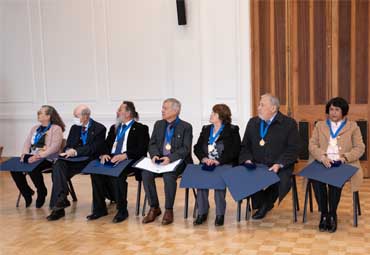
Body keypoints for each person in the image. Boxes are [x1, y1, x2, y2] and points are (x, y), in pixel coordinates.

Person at [239, 94, 300, 220]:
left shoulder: (288, 124)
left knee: (282, 180)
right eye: (259, 104)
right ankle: (262, 203)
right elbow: (245, 146)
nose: (258, 108)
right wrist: (247, 159)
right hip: (257, 163)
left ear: (273, 108)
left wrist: (279, 164)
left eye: (262, 105)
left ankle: (265, 204)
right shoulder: (253, 122)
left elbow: (293, 149)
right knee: (246, 174)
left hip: (279, 164)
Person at [309, 97, 365, 233]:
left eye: (337, 110)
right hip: (322, 162)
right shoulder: (320, 125)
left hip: (343, 163)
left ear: (343, 112)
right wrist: (322, 157)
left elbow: (360, 148)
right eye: (331, 109)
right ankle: (324, 214)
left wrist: (344, 158)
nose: (333, 112)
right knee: (316, 179)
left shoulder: (353, 127)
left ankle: (332, 214)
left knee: (335, 179)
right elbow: (312, 145)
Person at [87, 101, 149, 223]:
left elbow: (142, 149)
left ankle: (122, 210)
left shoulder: (141, 128)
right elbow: (105, 144)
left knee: (117, 174)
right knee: (96, 172)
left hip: (130, 160)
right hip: (112, 158)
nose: (117, 112)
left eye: (120, 110)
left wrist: (125, 155)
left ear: (128, 113)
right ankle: (99, 209)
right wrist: (104, 154)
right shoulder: (114, 128)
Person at [47, 104, 106, 221]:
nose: (74, 118)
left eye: (76, 116)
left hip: (91, 159)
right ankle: (60, 203)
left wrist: (75, 152)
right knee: (58, 165)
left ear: (86, 116)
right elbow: (69, 144)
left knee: (96, 173)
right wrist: (68, 150)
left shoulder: (99, 128)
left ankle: (99, 209)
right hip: (75, 160)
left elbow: (93, 148)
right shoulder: (75, 127)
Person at [142, 98, 193, 225]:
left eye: (165, 108)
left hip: (178, 162)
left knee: (169, 176)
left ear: (176, 110)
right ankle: (154, 207)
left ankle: (168, 210)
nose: (162, 110)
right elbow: (152, 143)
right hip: (159, 160)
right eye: (162, 107)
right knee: (145, 173)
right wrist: (154, 155)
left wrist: (170, 158)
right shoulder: (158, 124)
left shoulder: (186, 127)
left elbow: (185, 149)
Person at [193, 104, 240, 226]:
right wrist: (203, 159)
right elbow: (197, 148)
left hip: (223, 163)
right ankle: (202, 212)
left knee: (219, 180)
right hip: (207, 162)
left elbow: (234, 151)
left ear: (221, 116)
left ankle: (220, 214)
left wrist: (218, 161)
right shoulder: (206, 129)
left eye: (214, 113)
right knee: (201, 179)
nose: (211, 115)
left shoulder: (232, 130)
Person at [11, 105, 65, 208]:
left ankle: (41, 191)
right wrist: (25, 154)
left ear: (48, 116)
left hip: (48, 158)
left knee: (33, 167)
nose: (38, 114)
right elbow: (27, 143)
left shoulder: (56, 128)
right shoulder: (35, 128)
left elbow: (54, 147)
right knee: (15, 169)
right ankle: (26, 192)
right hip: (32, 157)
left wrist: (38, 156)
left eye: (41, 112)